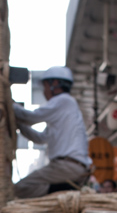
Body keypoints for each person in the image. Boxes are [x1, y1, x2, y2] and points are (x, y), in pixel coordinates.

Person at [12, 66, 92, 198]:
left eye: (45, 87)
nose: (44, 92)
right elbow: (40, 138)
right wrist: (19, 123)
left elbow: (31, 117)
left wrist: (10, 105)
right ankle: (63, 191)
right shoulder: (64, 110)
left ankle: (62, 191)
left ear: (54, 84)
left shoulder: (63, 101)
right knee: (25, 187)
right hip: (72, 167)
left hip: (66, 166)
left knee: (20, 188)